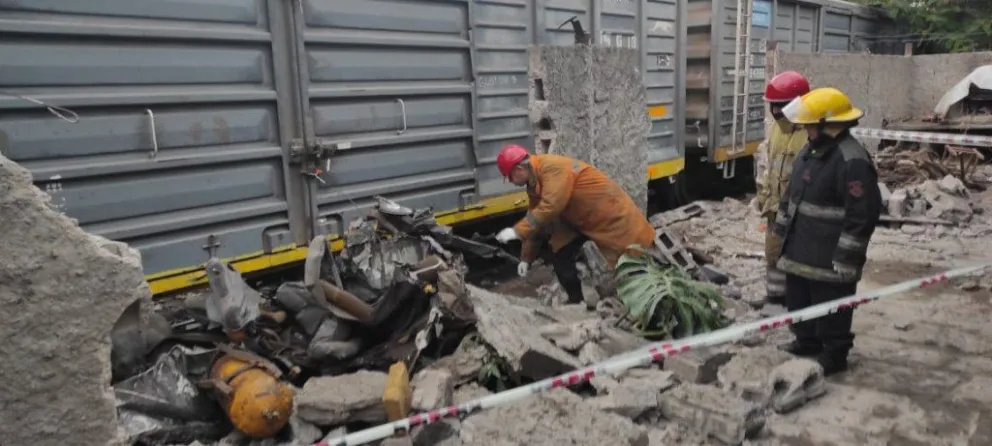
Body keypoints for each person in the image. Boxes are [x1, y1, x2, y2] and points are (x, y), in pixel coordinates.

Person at [772, 87, 882, 376]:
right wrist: (781, 229)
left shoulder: (852, 160)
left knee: (831, 306)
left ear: (827, 124)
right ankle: (806, 341)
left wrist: (847, 258)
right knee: (799, 299)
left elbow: (863, 214)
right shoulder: (812, 150)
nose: (805, 130)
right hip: (800, 249)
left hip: (830, 257)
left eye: (809, 125)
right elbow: (792, 193)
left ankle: (834, 355)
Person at [492, 145, 655, 306]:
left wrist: (517, 231)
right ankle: (576, 303)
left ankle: (646, 298)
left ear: (519, 169)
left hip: (607, 212)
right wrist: (526, 259)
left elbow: (551, 205)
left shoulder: (551, 167)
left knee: (633, 255)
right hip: (577, 220)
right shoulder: (533, 184)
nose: (511, 182)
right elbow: (536, 219)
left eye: (510, 177)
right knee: (561, 255)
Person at [755, 71, 811, 306]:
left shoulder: (810, 132)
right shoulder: (777, 129)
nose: (776, 111)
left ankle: (799, 303)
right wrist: (764, 198)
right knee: (773, 252)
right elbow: (768, 166)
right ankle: (776, 296)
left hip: (800, 212)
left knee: (799, 258)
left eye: (782, 106)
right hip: (775, 207)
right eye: (774, 106)